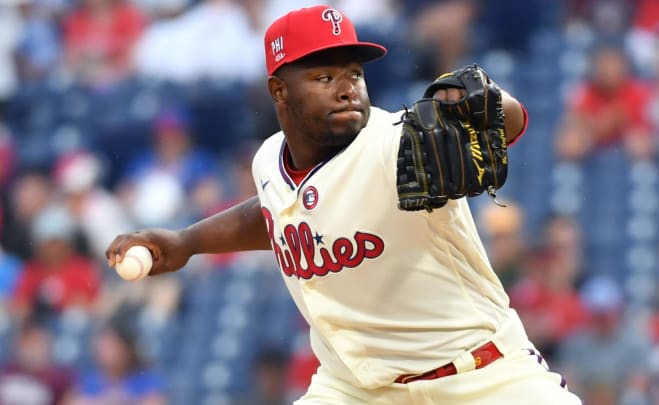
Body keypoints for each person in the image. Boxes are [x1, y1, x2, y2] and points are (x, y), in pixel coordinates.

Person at [107, 5, 581, 404]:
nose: (346, 86)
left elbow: (506, 126)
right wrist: (186, 241)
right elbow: (279, 212)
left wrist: (495, 102)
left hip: (480, 378)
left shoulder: (394, 144)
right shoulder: (269, 160)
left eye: (354, 73)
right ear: (279, 91)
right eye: (323, 75)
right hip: (354, 389)